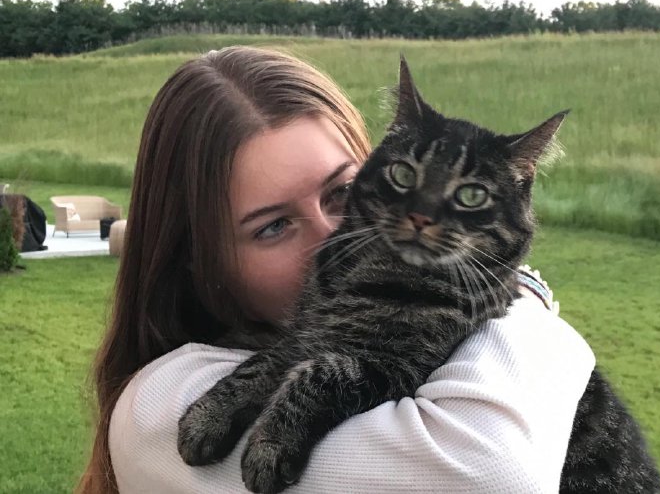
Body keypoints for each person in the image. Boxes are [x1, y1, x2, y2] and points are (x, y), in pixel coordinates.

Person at [77, 47, 596, 494]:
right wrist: (525, 294)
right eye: (274, 226)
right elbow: (487, 476)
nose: (336, 235)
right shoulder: (158, 408)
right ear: (193, 259)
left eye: (343, 192)